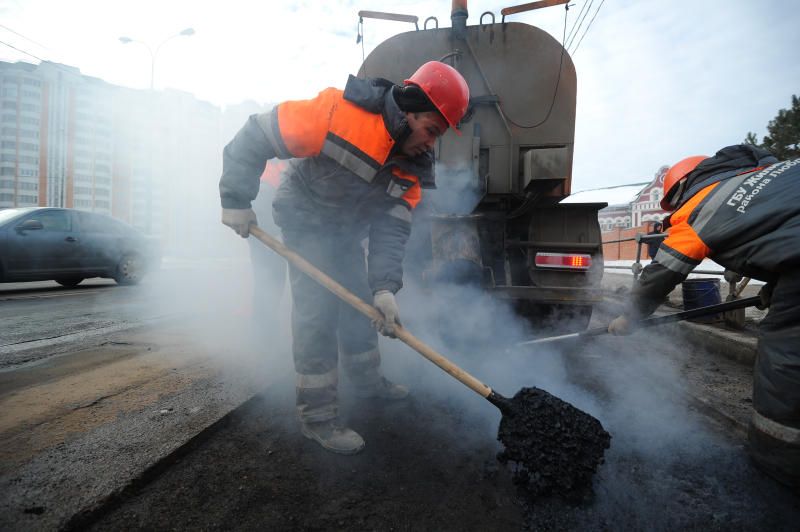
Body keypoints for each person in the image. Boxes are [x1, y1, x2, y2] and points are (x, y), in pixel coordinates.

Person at [219, 61, 470, 454]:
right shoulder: (339, 113)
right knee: (317, 312)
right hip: (304, 218)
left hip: (344, 232)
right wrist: (235, 199)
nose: (431, 144)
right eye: (431, 131)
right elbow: (258, 132)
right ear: (409, 111)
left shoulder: (412, 169)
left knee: (361, 305)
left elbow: (392, 230)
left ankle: (367, 384)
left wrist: (385, 288)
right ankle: (316, 417)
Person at [608, 144, 800, 488]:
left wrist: (630, 316)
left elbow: (664, 271)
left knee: (786, 359)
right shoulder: (767, 175)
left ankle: (777, 469)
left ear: (683, 189)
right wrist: (782, 283)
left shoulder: (700, 206)